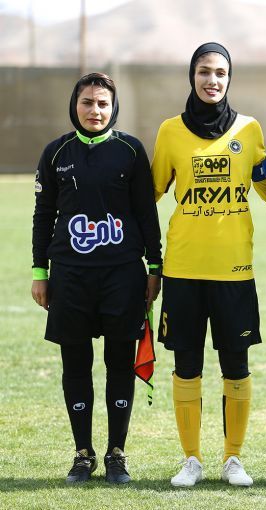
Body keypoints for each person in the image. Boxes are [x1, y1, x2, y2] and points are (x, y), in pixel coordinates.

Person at [31, 72, 162, 484]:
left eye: (103, 103)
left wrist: (154, 267)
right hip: (70, 277)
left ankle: (116, 454)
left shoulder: (130, 150)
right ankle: (83, 454)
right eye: (87, 102)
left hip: (123, 276)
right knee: (76, 365)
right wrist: (40, 272)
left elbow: (146, 213)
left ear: (113, 107)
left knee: (119, 364)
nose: (95, 110)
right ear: (75, 106)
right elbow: (43, 217)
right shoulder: (56, 153)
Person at [152, 42, 266, 488]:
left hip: (234, 270)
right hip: (183, 269)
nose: (212, 80)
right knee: (187, 365)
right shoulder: (170, 131)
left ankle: (233, 458)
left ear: (229, 78)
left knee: (236, 365)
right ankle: (192, 460)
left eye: (220, 72)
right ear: (192, 76)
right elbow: (149, 194)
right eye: (204, 71)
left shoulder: (249, 129)